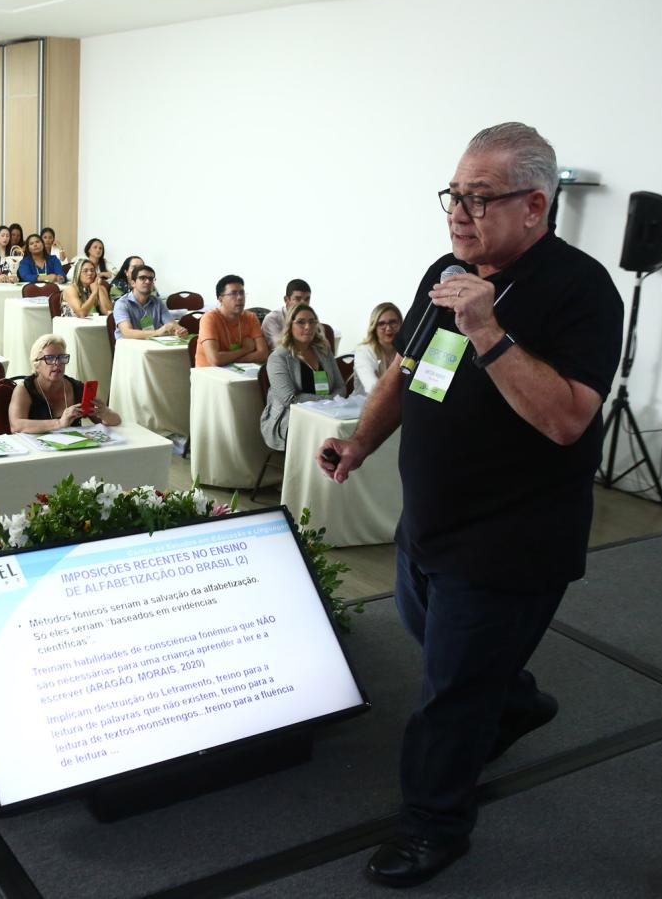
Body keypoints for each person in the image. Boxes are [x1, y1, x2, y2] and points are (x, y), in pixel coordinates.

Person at [316, 123, 624, 888]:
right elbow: (406, 368)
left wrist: (487, 326)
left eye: (479, 198)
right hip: (429, 523)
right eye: (453, 194)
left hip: (510, 541)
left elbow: (568, 418)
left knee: (449, 694)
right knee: (438, 641)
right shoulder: (445, 269)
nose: (458, 212)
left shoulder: (581, 290)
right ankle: (513, 701)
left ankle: (434, 824)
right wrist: (361, 442)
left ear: (535, 205)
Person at [259, 304, 347, 450]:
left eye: (312, 322)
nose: (308, 327)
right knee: (332, 441)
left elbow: (340, 387)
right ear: (290, 326)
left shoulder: (323, 351)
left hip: (328, 415)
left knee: (347, 435)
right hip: (291, 418)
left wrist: (328, 404)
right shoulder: (278, 357)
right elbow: (290, 400)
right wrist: (328, 401)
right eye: (301, 322)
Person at [9, 333, 119, 433]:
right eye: (50, 358)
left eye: (61, 358)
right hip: (36, 447)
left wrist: (106, 413)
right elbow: (16, 426)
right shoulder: (24, 389)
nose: (57, 363)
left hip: (74, 446)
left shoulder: (77, 388)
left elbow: (116, 421)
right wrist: (59, 423)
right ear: (36, 365)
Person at [196, 274, 268, 367]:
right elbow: (215, 360)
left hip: (241, 371)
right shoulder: (209, 318)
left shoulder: (251, 317)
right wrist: (245, 349)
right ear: (220, 299)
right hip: (209, 373)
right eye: (233, 294)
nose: (240, 297)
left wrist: (230, 360)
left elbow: (263, 354)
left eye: (242, 293)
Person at [112, 264, 186, 340]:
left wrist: (179, 330)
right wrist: (157, 332)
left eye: (151, 279)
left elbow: (171, 324)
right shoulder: (122, 304)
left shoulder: (157, 302)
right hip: (129, 346)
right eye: (142, 278)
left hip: (152, 344)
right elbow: (127, 333)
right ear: (133, 283)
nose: (148, 281)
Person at [350, 302, 403, 397]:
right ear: (374, 327)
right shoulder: (364, 351)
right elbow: (373, 388)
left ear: (400, 323)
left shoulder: (406, 350)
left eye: (392, 322)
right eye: (381, 324)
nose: (388, 328)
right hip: (365, 404)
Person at [261, 278, 312, 348]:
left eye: (307, 299)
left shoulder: (311, 318)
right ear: (286, 300)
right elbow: (281, 347)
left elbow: (322, 345)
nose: (303, 304)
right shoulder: (272, 319)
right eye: (298, 299)